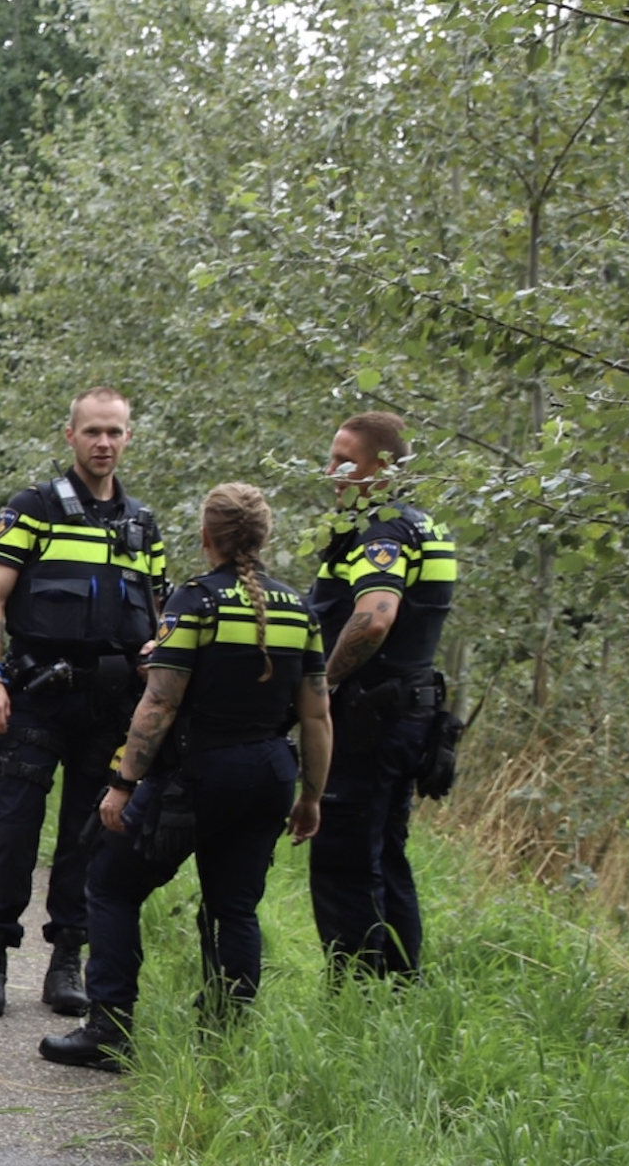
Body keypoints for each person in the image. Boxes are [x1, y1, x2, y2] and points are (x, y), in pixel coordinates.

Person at [41, 484, 333, 1067]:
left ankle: (109, 1030)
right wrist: (312, 797)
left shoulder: (196, 602)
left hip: (201, 774)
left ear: (207, 538)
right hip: (271, 772)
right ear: (264, 536)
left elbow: (159, 706)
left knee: (111, 884)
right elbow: (317, 714)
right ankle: (224, 1041)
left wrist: (123, 783)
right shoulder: (299, 609)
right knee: (235, 907)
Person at [0, 389, 166, 1019]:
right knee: (14, 831)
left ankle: (66, 963)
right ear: (70, 435)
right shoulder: (33, 510)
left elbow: (160, 622)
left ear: (128, 438)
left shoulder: (143, 527)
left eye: (115, 432)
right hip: (33, 696)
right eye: (92, 432)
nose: (103, 443)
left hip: (110, 707)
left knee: (89, 836)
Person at [308, 410, 458, 980]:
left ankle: (357, 994)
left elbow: (373, 620)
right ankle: (400, 984)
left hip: (372, 718)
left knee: (346, 859)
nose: (332, 472)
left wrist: (325, 682)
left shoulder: (383, 534)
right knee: (387, 854)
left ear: (384, 468)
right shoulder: (429, 527)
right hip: (410, 711)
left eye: (345, 461)